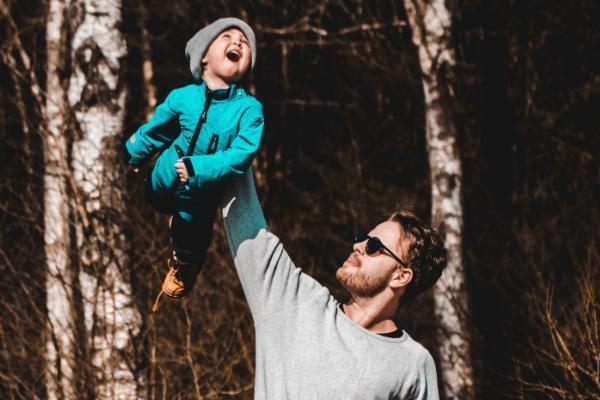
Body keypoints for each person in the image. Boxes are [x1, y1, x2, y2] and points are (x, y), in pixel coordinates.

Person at [221, 169, 446, 399]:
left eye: (374, 246)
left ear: (400, 276)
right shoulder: (294, 302)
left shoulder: (413, 364)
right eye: (362, 238)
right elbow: (242, 207)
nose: (358, 247)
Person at [123, 18, 264, 310]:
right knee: (153, 198)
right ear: (203, 56)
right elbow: (157, 129)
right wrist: (134, 152)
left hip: (198, 195)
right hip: (162, 179)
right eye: (227, 37)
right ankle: (169, 215)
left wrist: (199, 168)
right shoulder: (183, 97)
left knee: (191, 232)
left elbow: (242, 153)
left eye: (245, 42)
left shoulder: (247, 110)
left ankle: (186, 264)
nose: (237, 42)